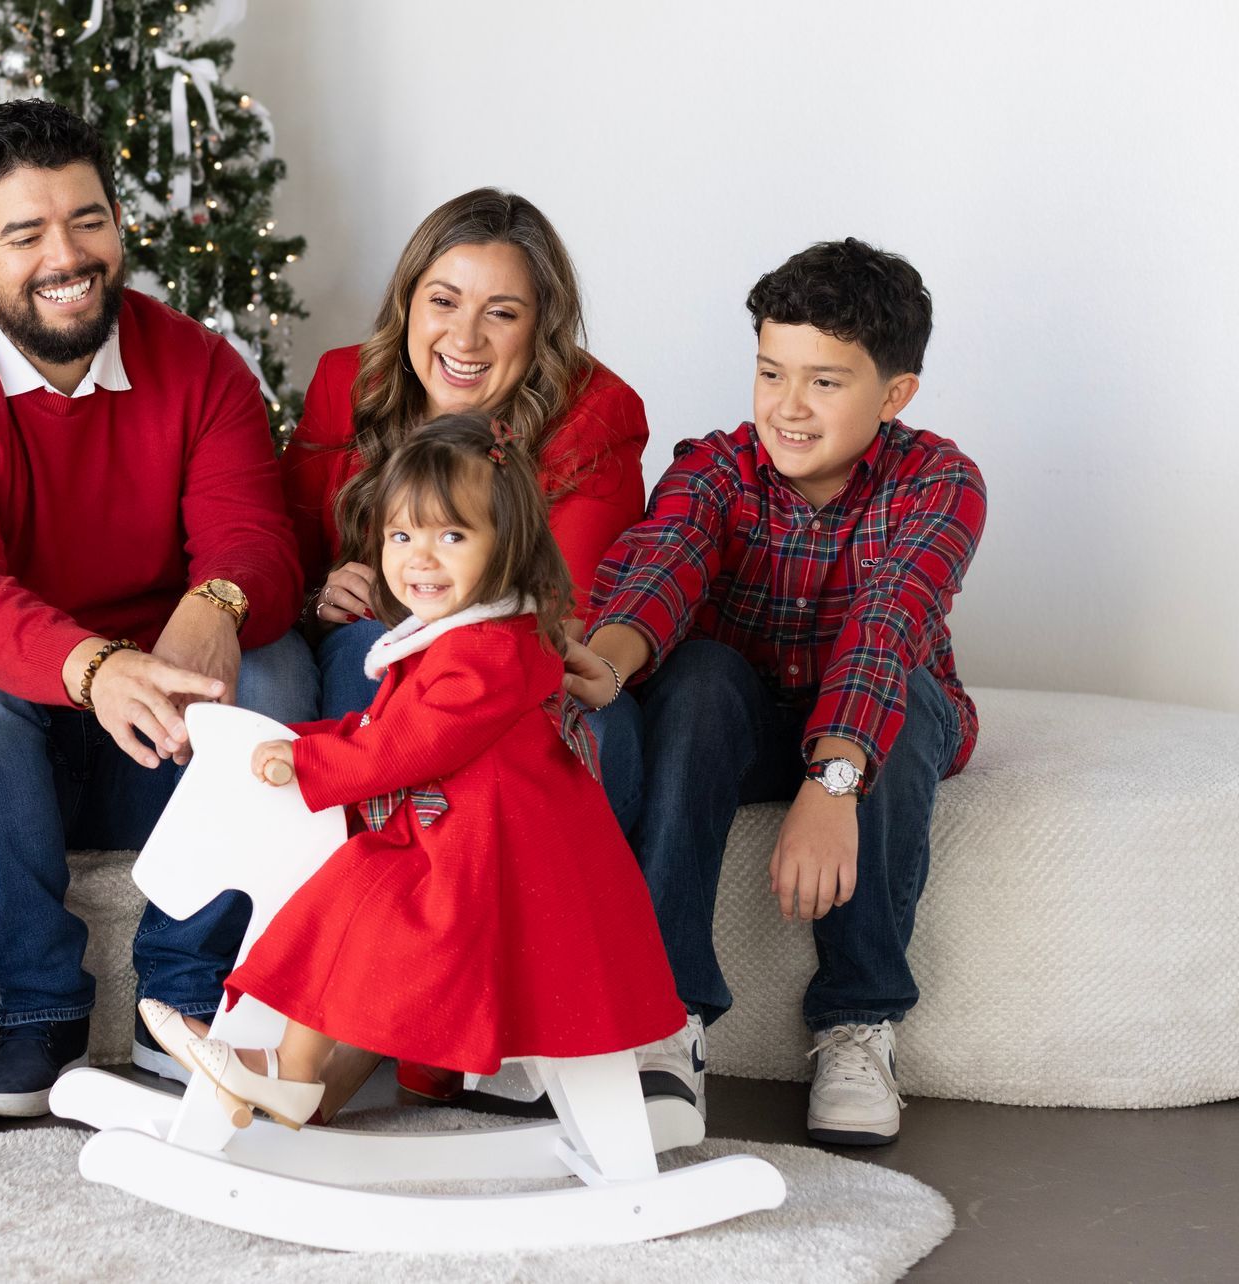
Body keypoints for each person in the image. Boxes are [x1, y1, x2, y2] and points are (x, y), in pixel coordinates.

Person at [0, 99, 314, 1118]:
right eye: (26, 233)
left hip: (151, 747)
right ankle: (39, 1009)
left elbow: (256, 539)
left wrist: (219, 600)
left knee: (276, 667)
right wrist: (101, 667)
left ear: (117, 222)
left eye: (88, 220)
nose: (67, 255)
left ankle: (185, 1002)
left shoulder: (199, 367)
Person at [140, 414, 684, 1126]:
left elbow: (411, 746)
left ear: (507, 548)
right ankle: (295, 1076)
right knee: (338, 897)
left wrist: (308, 763)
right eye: (403, 537)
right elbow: (381, 728)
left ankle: (289, 1072)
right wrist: (292, 738)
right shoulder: (455, 637)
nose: (419, 560)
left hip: (500, 865)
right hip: (454, 837)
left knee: (350, 900)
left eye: (451, 537)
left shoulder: (492, 651)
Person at [569, 238, 987, 1145]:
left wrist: (833, 783)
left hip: (877, 718)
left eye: (826, 383)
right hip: (744, 719)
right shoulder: (716, 468)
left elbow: (886, 624)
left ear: (895, 394)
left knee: (909, 696)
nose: (788, 408)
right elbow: (662, 565)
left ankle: (857, 1019)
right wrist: (604, 663)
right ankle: (665, 1016)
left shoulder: (941, 484)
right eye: (771, 373)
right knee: (701, 675)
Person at [281, 188, 651, 1104]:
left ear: (543, 329)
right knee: (347, 649)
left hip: (512, 676)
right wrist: (320, 586)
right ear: (408, 301)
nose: (467, 336)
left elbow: (558, 610)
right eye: (444, 300)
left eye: (503, 311)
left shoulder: (597, 413)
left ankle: (420, 1030)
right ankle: (337, 1037)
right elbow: (281, 541)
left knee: (562, 739)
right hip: (372, 659)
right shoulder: (345, 384)